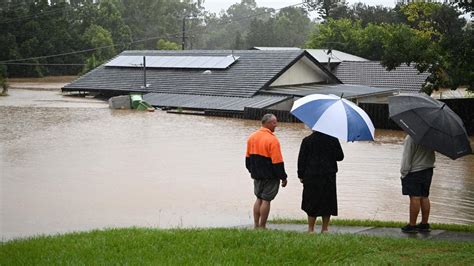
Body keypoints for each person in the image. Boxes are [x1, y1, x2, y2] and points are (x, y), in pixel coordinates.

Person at [245, 113, 288, 229]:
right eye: (274, 122)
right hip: (270, 176)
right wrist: (283, 177)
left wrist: (252, 171)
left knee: (258, 198)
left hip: (256, 175)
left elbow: (247, 159)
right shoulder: (273, 140)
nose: (276, 125)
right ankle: (262, 226)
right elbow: (277, 162)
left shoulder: (252, 137)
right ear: (267, 123)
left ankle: (255, 225)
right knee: (266, 200)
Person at [297, 131, 344, 233]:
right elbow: (340, 157)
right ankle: (325, 229)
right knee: (327, 201)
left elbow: (301, 159)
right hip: (328, 175)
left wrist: (300, 175)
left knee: (311, 201)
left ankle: (310, 229)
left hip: (311, 175)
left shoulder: (307, 140)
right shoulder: (333, 139)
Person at [400, 135, 435, 233]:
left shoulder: (410, 138)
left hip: (415, 171)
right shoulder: (431, 137)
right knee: (424, 196)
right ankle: (424, 224)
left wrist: (403, 173)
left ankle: (412, 225)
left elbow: (407, 157)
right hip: (428, 170)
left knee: (415, 197)